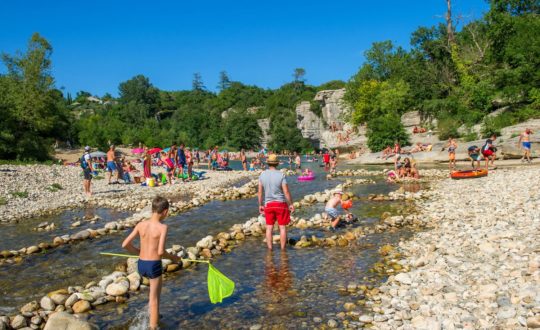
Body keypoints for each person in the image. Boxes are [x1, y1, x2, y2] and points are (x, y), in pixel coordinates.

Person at [122, 196, 180, 330]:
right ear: (165, 211)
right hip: (153, 265)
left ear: (152, 209)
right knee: (154, 300)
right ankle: (153, 326)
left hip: (141, 264)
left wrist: (138, 252)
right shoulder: (162, 227)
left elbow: (125, 244)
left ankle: (154, 316)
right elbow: (160, 251)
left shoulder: (141, 224)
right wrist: (174, 258)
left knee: (152, 298)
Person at [258, 154, 294, 250]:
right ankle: (283, 250)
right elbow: (286, 191)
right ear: (277, 164)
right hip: (280, 204)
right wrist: (290, 204)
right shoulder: (281, 175)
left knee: (269, 228)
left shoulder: (262, 175)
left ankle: (270, 249)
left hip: (268, 204)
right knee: (282, 227)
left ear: (268, 163)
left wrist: (260, 205)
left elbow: (260, 192)